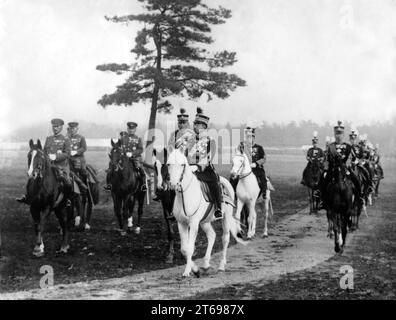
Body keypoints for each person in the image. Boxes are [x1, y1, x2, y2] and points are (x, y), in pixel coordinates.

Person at [16, 118, 72, 205]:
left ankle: (67, 200)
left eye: (57, 127)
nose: (55, 128)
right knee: (33, 178)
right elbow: (44, 152)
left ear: (61, 127)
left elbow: (67, 154)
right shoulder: (48, 139)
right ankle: (28, 196)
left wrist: (55, 156)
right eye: (54, 127)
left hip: (61, 166)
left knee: (67, 183)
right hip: (48, 166)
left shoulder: (66, 139)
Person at [187, 107, 223, 220]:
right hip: (188, 168)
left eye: (199, 125)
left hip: (204, 170)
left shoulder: (209, 140)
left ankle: (218, 208)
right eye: (195, 124)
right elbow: (185, 154)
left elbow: (209, 157)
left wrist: (198, 166)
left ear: (204, 127)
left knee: (213, 182)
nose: (196, 126)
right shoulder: (189, 140)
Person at [319, 121, 361, 209]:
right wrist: (326, 169)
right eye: (337, 133)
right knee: (323, 181)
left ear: (343, 135)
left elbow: (354, 158)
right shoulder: (331, 146)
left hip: (346, 170)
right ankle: (322, 200)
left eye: (340, 133)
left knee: (356, 181)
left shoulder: (348, 147)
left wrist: (354, 163)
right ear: (334, 135)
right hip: (333, 170)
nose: (338, 136)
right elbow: (327, 160)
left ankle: (358, 199)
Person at [103, 122, 146, 191]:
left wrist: (132, 153)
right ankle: (109, 185)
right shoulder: (122, 139)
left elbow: (140, 149)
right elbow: (116, 147)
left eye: (133, 129)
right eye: (130, 129)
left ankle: (143, 185)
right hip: (124, 158)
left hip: (135, 158)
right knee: (111, 168)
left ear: (135, 129)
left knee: (140, 169)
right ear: (127, 129)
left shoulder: (138, 139)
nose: (131, 130)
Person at [67, 122, 88, 193]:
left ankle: (85, 187)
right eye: (71, 128)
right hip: (68, 159)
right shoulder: (66, 138)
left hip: (79, 159)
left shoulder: (81, 137)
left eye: (73, 128)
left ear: (77, 129)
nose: (72, 130)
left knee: (83, 172)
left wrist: (76, 152)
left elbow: (84, 148)